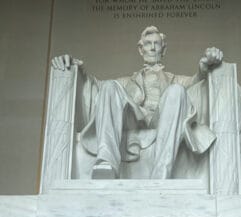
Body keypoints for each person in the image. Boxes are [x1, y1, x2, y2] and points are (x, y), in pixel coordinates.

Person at [52, 26, 227, 181]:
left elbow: (197, 83)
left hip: (164, 119)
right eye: (148, 43)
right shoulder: (126, 82)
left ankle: (161, 172)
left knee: (176, 91)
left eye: (156, 44)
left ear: (163, 49)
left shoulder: (176, 80)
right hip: (134, 118)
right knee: (109, 86)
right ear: (140, 49)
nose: (152, 47)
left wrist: (205, 67)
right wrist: (76, 69)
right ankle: (106, 161)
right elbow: (94, 87)